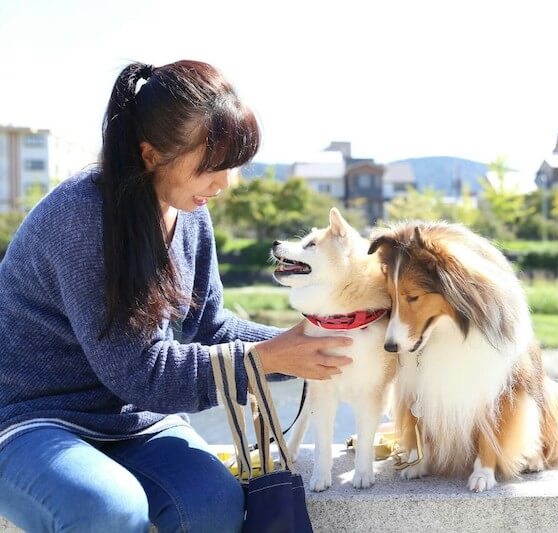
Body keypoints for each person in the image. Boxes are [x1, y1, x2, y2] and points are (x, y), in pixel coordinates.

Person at [0, 60, 353, 533]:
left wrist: (315, 341)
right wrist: (268, 358)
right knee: (107, 508)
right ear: (150, 155)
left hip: (134, 424)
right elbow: (140, 374)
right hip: (31, 419)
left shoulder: (188, 213)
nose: (224, 185)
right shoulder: (80, 220)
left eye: (233, 167)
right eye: (211, 167)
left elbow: (208, 327)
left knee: (213, 503)